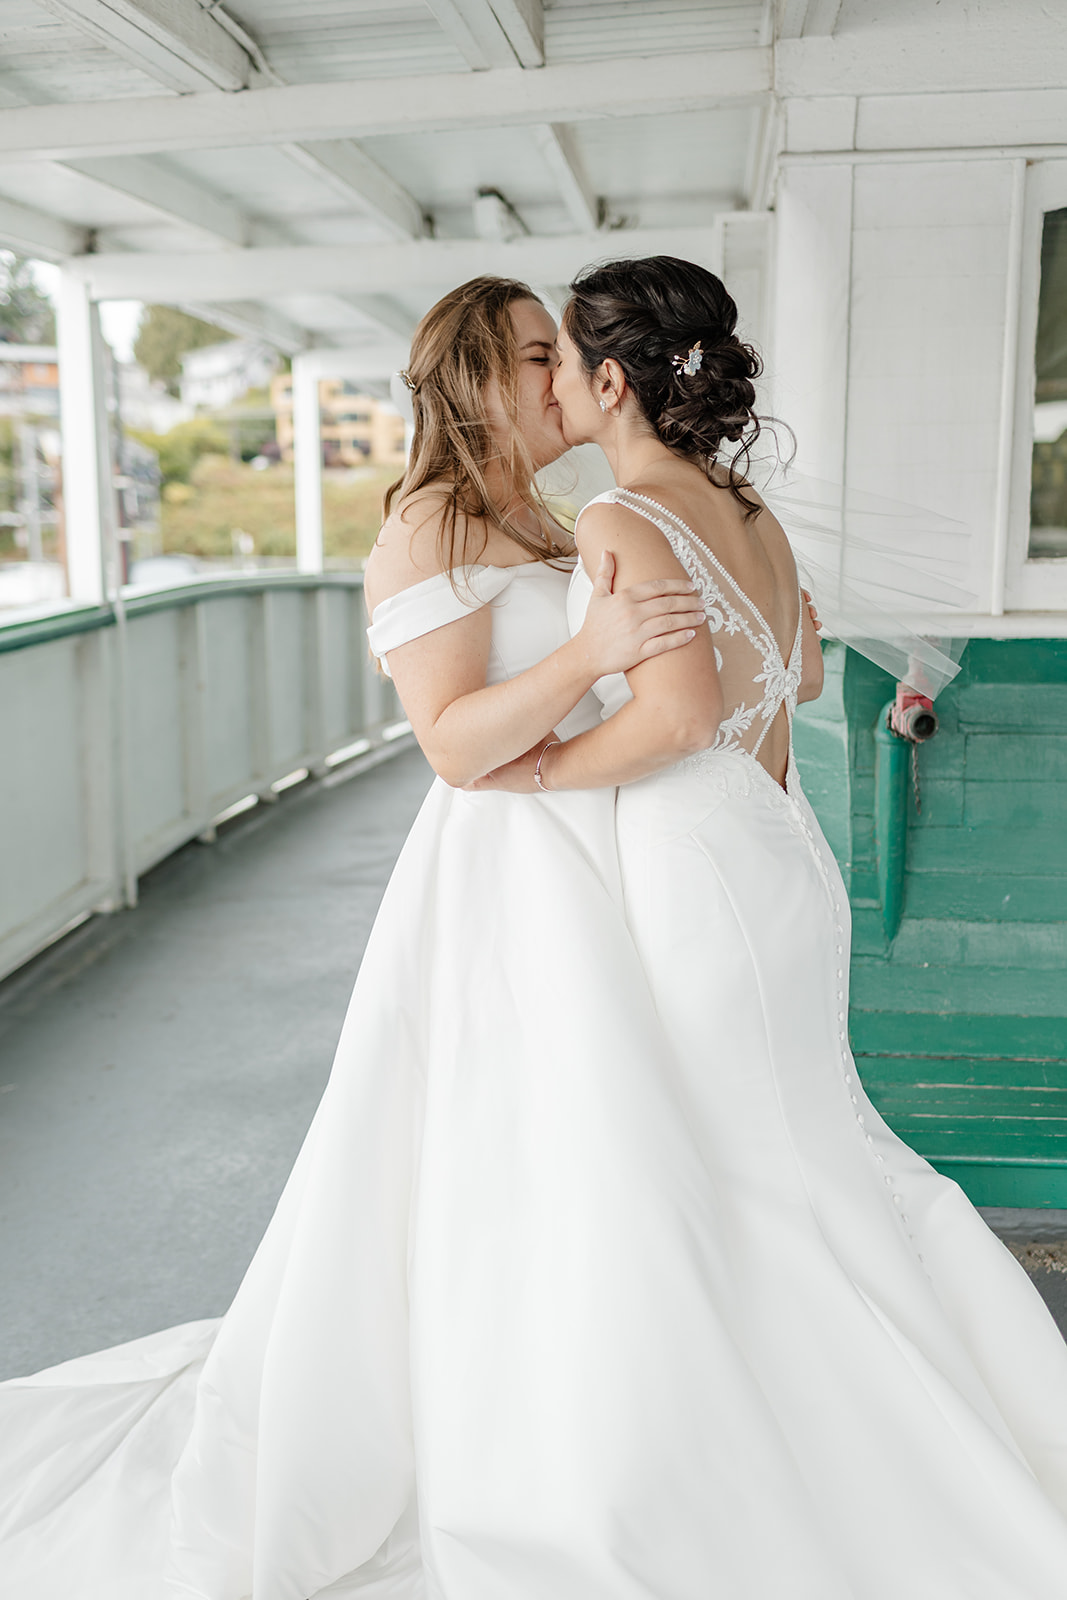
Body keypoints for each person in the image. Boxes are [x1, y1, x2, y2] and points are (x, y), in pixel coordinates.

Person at [0, 275, 702, 1600]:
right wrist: (586, 654)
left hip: (589, 853)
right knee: (498, 1146)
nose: (563, 375)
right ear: (479, 379)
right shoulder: (424, 526)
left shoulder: (547, 519)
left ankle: (580, 1407)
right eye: (538, 355)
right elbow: (450, 746)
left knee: (583, 1147)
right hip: (504, 875)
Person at [470, 254, 1067, 1596]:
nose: (549, 387)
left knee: (735, 1165)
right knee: (801, 1145)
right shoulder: (746, 508)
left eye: (560, 362)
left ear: (609, 380)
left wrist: (538, 771)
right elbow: (793, 674)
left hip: (700, 863)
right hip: (782, 852)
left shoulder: (623, 514)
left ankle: (816, 1454)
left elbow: (679, 717)